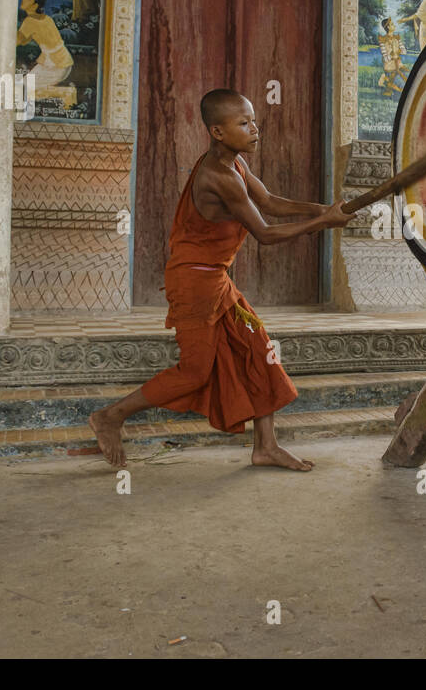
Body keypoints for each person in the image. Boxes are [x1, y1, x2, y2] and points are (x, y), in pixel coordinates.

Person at [88, 89, 355, 470]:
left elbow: (269, 201)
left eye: (254, 120)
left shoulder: (235, 165)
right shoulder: (219, 175)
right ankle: (109, 417)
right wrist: (324, 222)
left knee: (258, 348)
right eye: (243, 123)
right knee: (194, 373)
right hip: (195, 284)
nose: (255, 129)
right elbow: (264, 232)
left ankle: (266, 446)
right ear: (217, 131)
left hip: (215, 279)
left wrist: (324, 210)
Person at [16, 0, 74, 86]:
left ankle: (67, 96)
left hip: (56, 66)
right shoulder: (46, 18)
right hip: (63, 63)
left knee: (23, 87)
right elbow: (25, 40)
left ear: (35, 5)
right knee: (24, 86)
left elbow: (17, 42)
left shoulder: (30, 21)